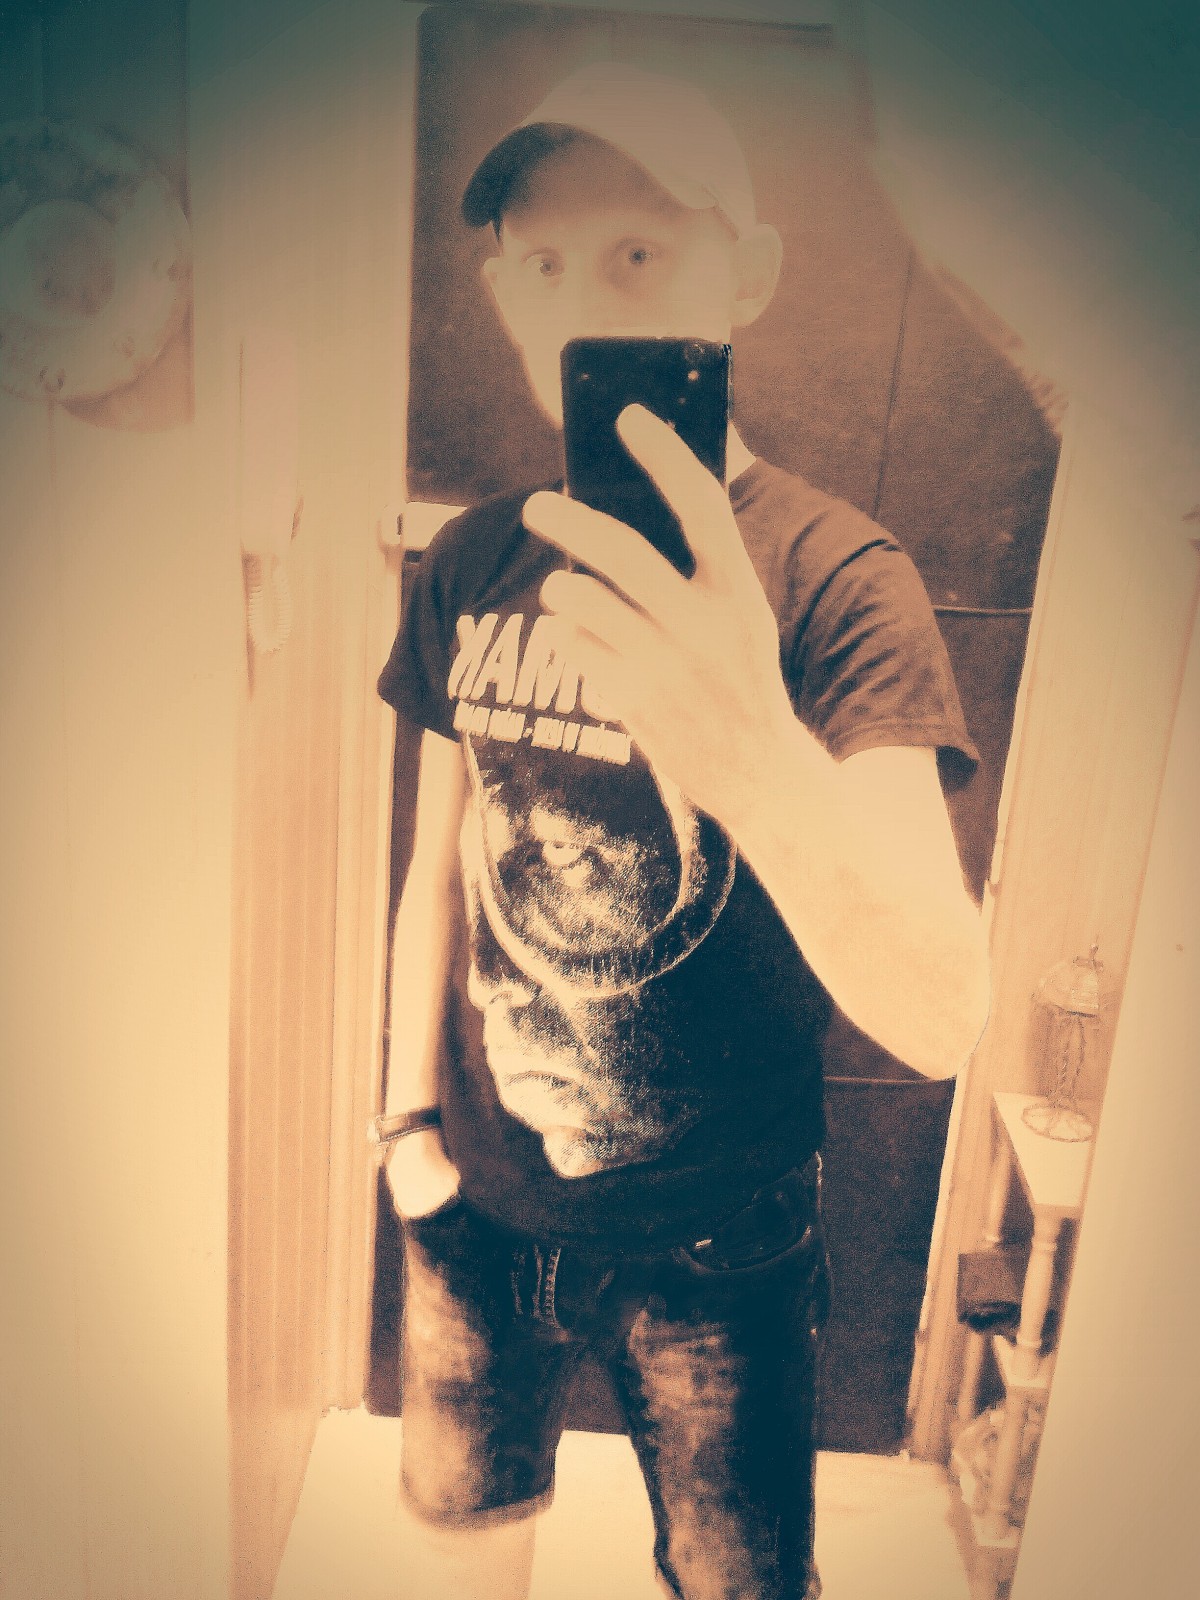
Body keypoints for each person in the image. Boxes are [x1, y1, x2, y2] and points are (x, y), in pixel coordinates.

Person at [375, 61, 990, 1600]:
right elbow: (442, 864)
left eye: (639, 253)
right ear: (500, 295)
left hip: (727, 1243)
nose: (584, 303)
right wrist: (402, 1137)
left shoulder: (841, 581)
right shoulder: (471, 559)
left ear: (747, 277)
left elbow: (938, 1017)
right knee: (466, 1543)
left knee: (737, 1584)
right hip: (479, 1200)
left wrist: (754, 754)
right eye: (543, 265)